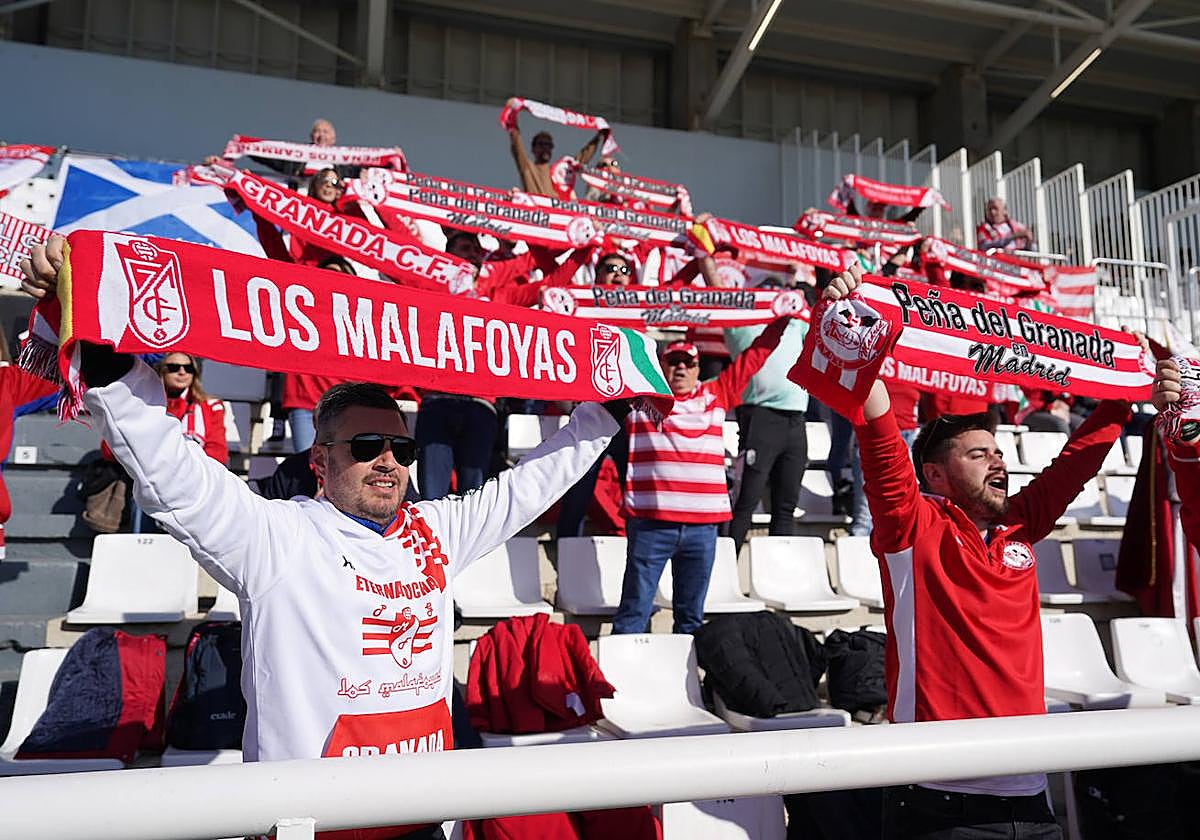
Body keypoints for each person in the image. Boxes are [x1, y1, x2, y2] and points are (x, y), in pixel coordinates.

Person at [22, 234, 626, 840]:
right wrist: (93, 333)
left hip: (423, 822)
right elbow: (172, 470)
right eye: (366, 446)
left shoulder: (437, 531)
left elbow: (528, 487)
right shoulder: (273, 537)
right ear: (320, 459)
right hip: (311, 828)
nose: (387, 461)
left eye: (401, 449)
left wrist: (610, 410)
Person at [825, 264, 1131, 840]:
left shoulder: (1020, 525)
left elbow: (1078, 461)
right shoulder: (911, 526)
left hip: (1032, 797)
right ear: (935, 475)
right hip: (939, 799)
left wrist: (1128, 392)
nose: (998, 460)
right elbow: (877, 429)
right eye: (977, 454)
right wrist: (851, 326)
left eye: (998, 451)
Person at [612, 317, 793, 635]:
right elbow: (615, 351)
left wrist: (783, 317)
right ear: (661, 366)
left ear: (698, 368)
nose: (681, 369)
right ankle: (621, 668)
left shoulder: (718, 392)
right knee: (633, 614)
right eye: (674, 362)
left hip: (703, 530)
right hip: (652, 525)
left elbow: (757, 353)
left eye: (688, 363)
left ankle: (686, 671)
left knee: (691, 621)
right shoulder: (641, 398)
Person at [725, 313, 811, 554]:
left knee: (786, 506)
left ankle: (778, 570)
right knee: (746, 502)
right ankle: (725, 565)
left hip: (796, 419)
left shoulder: (796, 320)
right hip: (760, 416)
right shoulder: (741, 320)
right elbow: (719, 296)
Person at [505, 98, 605, 197]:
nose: (545, 148)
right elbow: (517, 144)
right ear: (533, 149)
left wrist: (599, 136)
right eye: (541, 144)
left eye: (549, 145)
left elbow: (581, 158)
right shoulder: (528, 169)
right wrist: (512, 113)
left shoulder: (558, 172)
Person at [157, 352, 229, 466]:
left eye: (188, 368)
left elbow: (217, 451)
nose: (182, 372)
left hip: (197, 470)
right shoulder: (148, 404)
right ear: (162, 371)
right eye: (174, 368)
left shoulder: (211, 406)